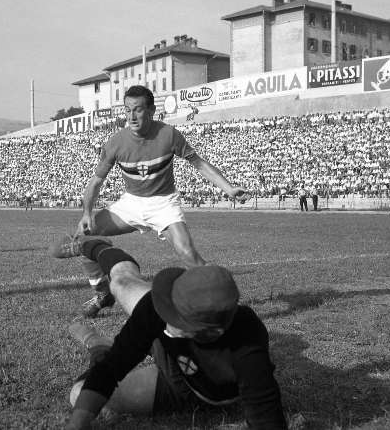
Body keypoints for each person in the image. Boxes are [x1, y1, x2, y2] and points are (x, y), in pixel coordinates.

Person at [50, 85, 249, 318]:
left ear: (152, 110)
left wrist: (228, 188)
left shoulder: (169, 135)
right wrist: (86, 213)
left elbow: (199, 163)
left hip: (164, 203)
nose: (131, 116)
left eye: (138, 109)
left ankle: (228, 304)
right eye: (127, 110)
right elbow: (95, 182)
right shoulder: (116, 142)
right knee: (83, 235)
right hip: (132, 203)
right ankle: (103, 293)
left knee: (189, 255)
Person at [64, 238, 288, 430]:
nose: (165, 316)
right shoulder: (161, 304)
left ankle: (99, 346)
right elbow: (113, 366)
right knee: (121, 283)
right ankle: (94, 246)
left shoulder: (246, 340)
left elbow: (265, 411)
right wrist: (77, 424)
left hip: (190, 387)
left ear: (211, 333)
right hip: (175, 345)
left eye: (176, 319)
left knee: (78, 394)